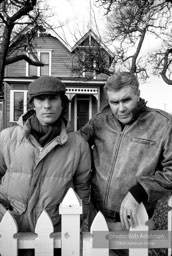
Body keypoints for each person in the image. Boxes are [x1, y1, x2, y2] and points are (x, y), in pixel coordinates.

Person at [80, 71, 172, 256]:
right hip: (97, 217)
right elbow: (74, 146)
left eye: (126, 100)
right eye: (114, 102)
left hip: (135, 220)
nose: (120, 108)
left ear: (138, 95)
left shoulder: (163, 124)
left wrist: (139, 191)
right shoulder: (99, 122)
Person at [0, 76, 91, 256]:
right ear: (33, 104)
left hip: (54, 233)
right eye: (41, 99)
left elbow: (82, 188)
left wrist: (72, 223)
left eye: (53, 99)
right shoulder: (7, 138)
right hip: (9, 230)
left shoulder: (78, 144)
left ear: (62, 103)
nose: (47, 105)